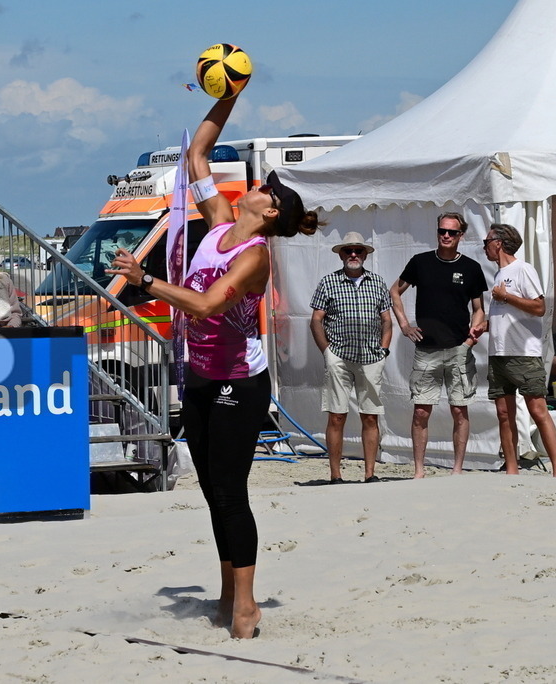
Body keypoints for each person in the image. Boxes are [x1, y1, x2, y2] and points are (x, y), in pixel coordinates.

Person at [108, 94, 321, 639]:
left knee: (230, 492)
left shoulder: (254, 256)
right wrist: (229, 94)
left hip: (238, 384)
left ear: (270, 211)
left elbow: (205, 305)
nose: (256, 185)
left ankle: (246, 607)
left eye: (266, 188)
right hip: (202, 374)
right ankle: (228, 595)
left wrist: (145, 281)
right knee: (212, 490)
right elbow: (197, 155)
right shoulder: (220, 221)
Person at [389, 212, 487, 477]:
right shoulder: (420, 262)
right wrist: (405, 325)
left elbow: (479, 309)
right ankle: (419, 470)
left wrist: (471, 336)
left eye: (452, 232)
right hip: (426, 350)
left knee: (459, 409)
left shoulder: (471, 268)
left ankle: (457, 470)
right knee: (421, 411)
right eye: (442, 231)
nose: (446, 236)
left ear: (461, 236)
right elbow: (394, 291)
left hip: (458, 348)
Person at [482, 223, 556, 478]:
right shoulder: (499, 274)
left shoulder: (523, 269)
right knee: (504, 414)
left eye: (486, 241)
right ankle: (511, 469)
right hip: (498, 353)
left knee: (538, 410)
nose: (484, 247)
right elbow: (507, 314)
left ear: (498, 242)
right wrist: (484, 327)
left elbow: (539, 307)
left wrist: (505, 298)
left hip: (523, 353)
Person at [309, 232, 392, 483]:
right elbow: (316, 320)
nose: (353, 255)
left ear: (365, 255)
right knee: (336, 415)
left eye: (358, 250)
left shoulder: (377, 282)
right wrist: (326, 351)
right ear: (341, 254)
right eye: (348, 251)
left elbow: (387, 319)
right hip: (339, 357)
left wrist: (384, 349)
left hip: (371, 356)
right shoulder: (328, 282)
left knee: (370, 415)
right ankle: (335, 475)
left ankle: (370, 473)